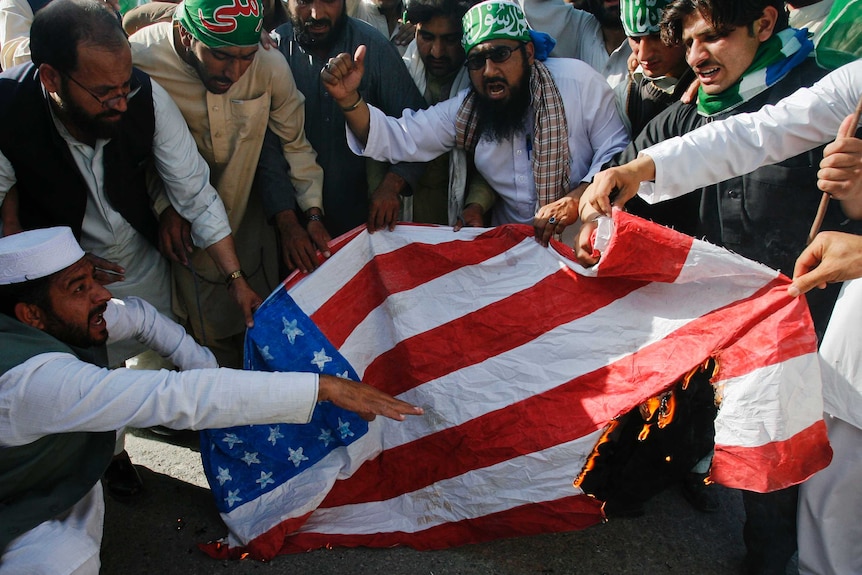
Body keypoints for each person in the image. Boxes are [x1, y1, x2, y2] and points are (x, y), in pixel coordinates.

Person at [569, 1, 855, 567]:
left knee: (824, 482)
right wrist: (635, 173)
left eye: (718, 37)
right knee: (774, 474)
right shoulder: (836, 92)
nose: (698, 57)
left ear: (766, 24)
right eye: (693, 41)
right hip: (747, 329)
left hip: (828, 329)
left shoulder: (815, 81)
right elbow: (753, 135)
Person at [0, 226, 422, 575]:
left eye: (92, 280)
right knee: (65, 561)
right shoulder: (30, 382)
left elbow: (143, 318)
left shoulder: (70, 318)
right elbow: (171, 397)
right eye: (80, 287)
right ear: (31, 317)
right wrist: (325, 388)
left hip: (49, 480)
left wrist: (205, 369)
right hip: (17, 496)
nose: (101, 296)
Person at [128, 0, 326, 367]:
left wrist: (310, 214)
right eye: (220, 56)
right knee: (196, 346)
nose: (234, 72)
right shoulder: (140, 61)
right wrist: (165, 206)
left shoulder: (268, 65)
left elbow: (295, 145)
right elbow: (129, 156)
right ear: (187, 36)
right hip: (181, 235)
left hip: (251, 225)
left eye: (245, 58)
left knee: (260, 333)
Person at [322, 0, 627, 237]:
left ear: (529, 52)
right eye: (478, 61)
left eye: (500, 55)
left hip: (582, 242)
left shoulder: (578, 83)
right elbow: (398, 137)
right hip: (511, 252)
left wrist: (575, 198)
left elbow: (617, 154)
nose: (490, 71)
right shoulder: (469, 110)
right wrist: (349, 100)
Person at [267, 0, 427, 240]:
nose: (316, 13)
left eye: (329, 1)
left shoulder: (372, 47)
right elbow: (265, 146)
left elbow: (419, 130)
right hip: (291, 233)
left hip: (365, 226)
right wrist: (287, 221)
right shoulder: (272, 50)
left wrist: (392, 185)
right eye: (303, 1)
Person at [400, 0, 494, 225]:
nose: (437, 52)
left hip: (462, 218)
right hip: (406, 213)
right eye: (427, 37)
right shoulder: (399, 71)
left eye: (450, 40)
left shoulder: (486, 82)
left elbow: (497, 156)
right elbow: (377, 143)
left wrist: (476, 204)